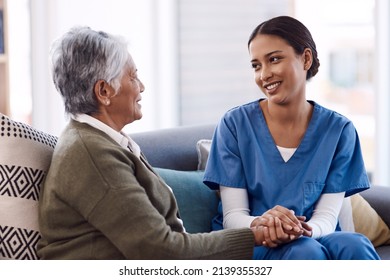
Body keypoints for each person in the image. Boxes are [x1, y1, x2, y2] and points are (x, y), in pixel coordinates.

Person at [37, 26, 267, 259]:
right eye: (133, 76)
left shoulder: (101, 141)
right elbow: (160, 251)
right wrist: (254, 236)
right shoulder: (92, 155)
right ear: (104, 91)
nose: (141, 86)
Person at [203, 16, 380, 260]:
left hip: (314, 234)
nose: (264, 74)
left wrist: (302, 230)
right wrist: (267, 224)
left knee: (355, 245)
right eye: (256, 65)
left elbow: (327, 217)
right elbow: (234, 216)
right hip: (253, 238)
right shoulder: (234, 125)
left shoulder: (338, 130)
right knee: (304, 252)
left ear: (305, 59)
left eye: (274, 59)